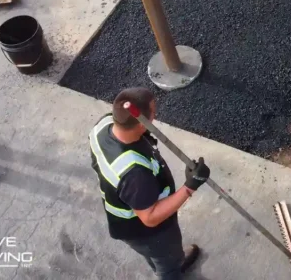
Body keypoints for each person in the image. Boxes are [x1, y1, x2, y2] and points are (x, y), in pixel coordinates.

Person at [89, 87, 210, 279]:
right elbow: (150, 217)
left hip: (129, 221)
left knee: (157, 256)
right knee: (166, 263)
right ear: (140, 124)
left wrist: (142, 137)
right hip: (149, 232)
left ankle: (169, 259)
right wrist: (190, 186)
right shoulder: (134, 174)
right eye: (153, 112)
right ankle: (171, 266)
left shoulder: (104, 124)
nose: (155, 115)